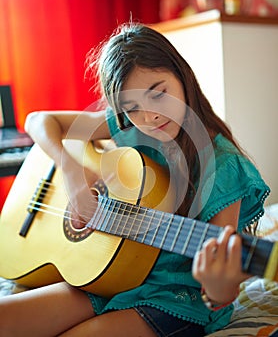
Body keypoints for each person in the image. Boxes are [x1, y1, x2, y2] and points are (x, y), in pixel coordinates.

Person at [0, 22, 270, 337]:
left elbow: (220, 292)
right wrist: (74, 176)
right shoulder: (131, 127)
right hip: (110, 276)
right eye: (132, 108)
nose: (149, 117)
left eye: (159, 94)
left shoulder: (223, 168)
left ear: (182, 76)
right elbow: (38, 120)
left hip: (172, 297)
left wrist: (218, 285)